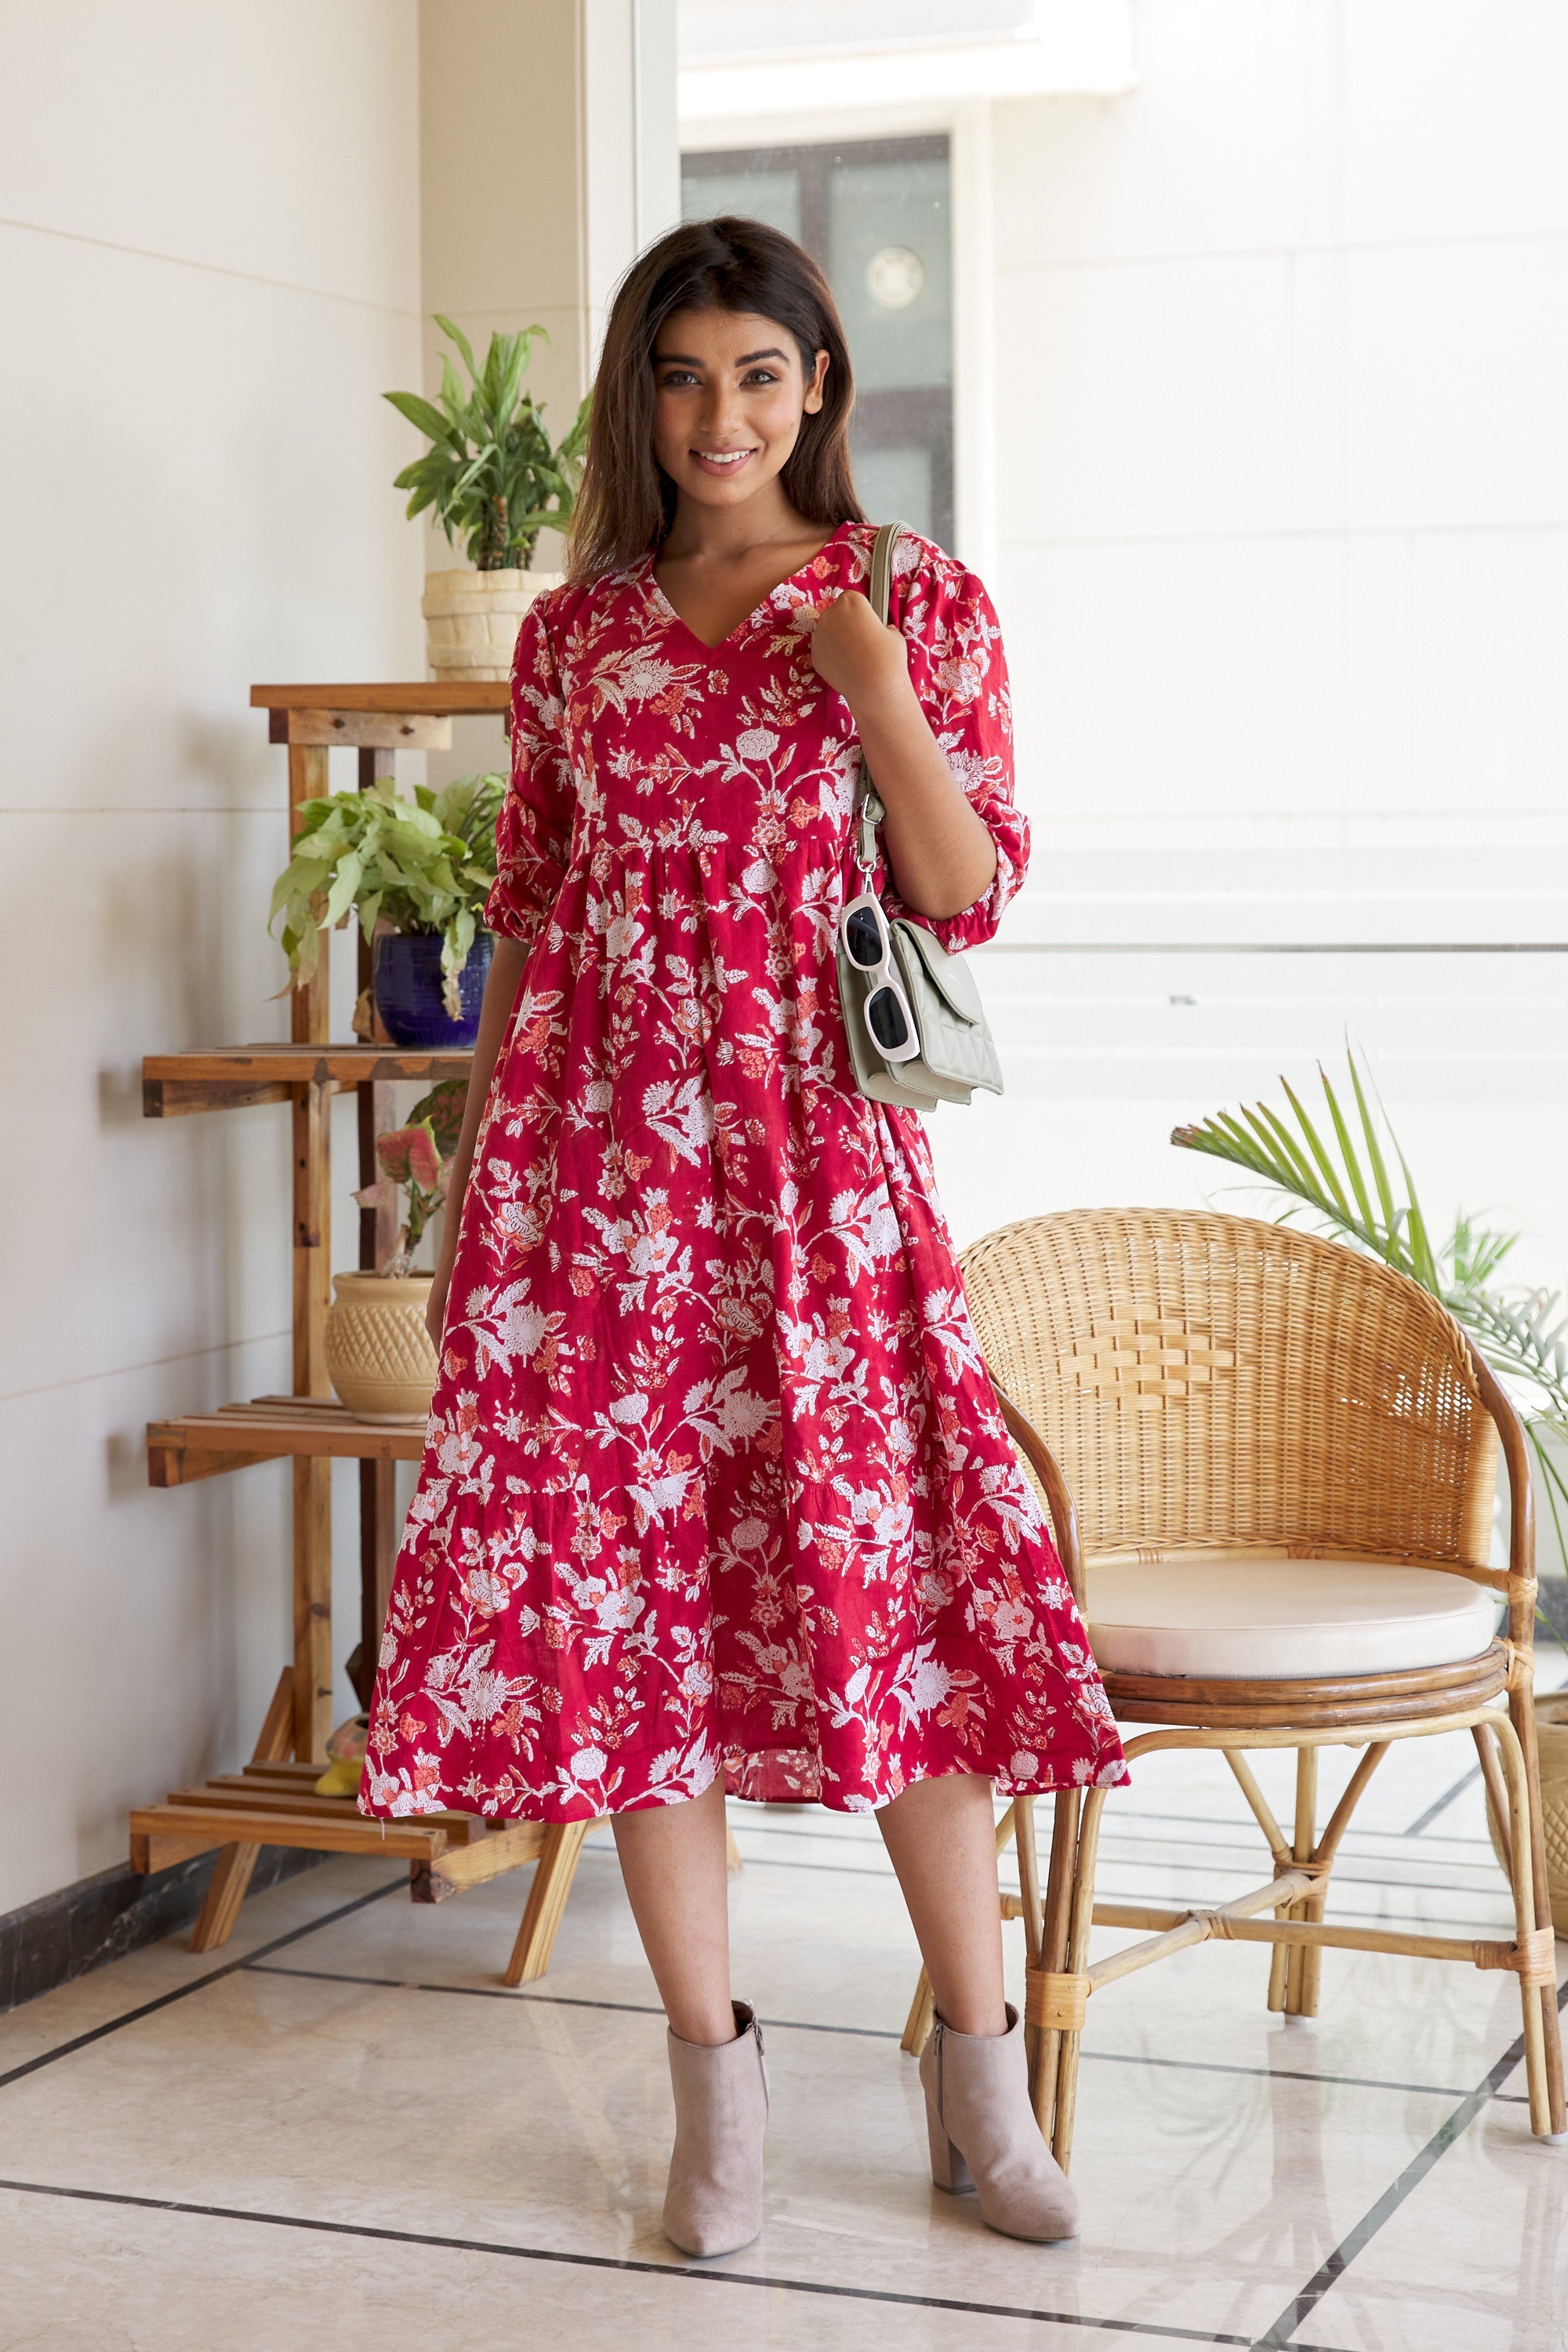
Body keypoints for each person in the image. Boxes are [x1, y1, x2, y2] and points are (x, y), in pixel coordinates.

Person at [361, 216, 1126, 2258]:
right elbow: (533, 909)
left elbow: (962, 890)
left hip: (818, 1188)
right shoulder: (574, 638)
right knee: (634, 1639)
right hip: (597, 1198)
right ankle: (717, 2091)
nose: (723, 415)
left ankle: (984, 2082)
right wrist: (477, 1179)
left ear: (819, 389)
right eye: (685, 376)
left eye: (760, 375)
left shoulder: (910, 598)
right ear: (642, 396)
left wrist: (872, 686)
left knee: (897, 1616)